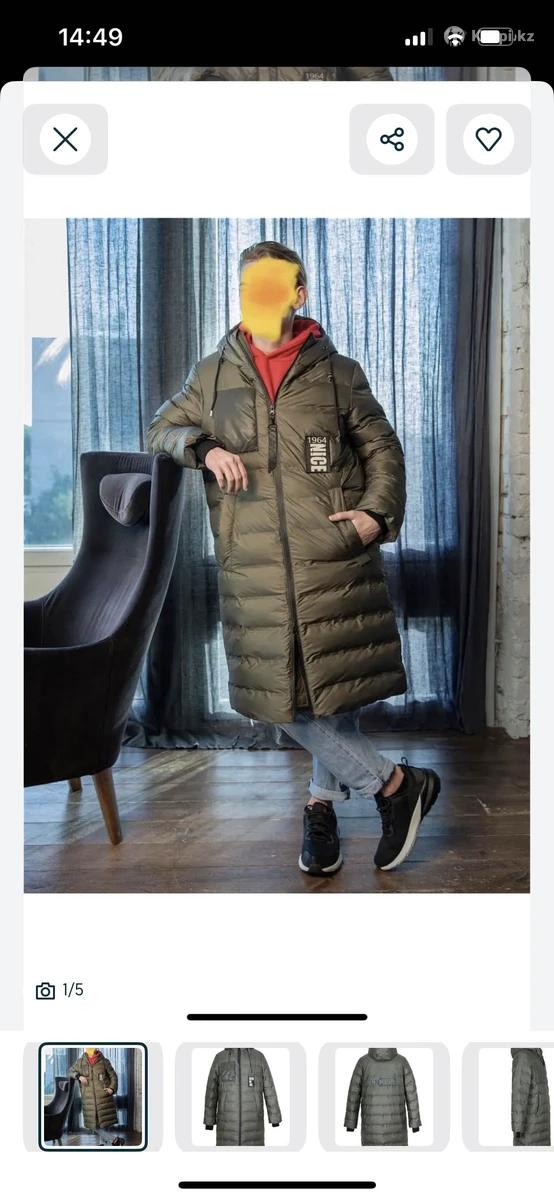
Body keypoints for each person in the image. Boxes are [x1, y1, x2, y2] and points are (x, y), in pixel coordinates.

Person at [147, 241, 440, 877]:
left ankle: (320, 808)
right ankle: (395, 785)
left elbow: (383, 449)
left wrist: (375, 514)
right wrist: (202, 448)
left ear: (298, 294)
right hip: (254, 566)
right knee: (289, 703)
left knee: (332, 695)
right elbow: (160, 429)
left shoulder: (338, 373)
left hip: (334, 557)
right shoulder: (212, 374)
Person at [69, 1048, 118, 1131]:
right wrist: (79, 1076)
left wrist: (111, 1088)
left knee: (104, 1124)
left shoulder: (104, 1061)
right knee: (94, 1126)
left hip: (103, 1098)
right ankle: (108, 1138)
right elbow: (70, 1072)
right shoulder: (80, 1062)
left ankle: (108, 1138)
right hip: (88, 1099)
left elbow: (113, 1076)